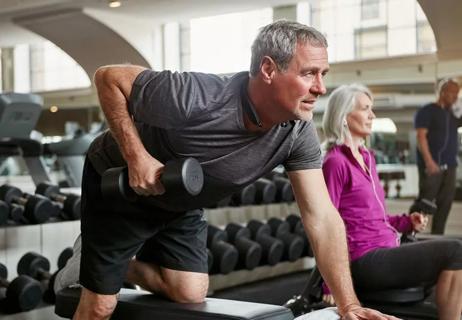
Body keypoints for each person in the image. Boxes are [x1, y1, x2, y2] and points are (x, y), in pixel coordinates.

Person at [55, 21, 397, 320]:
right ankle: (99, 266)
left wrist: (348, 304)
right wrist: (137, 157)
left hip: (180, 198)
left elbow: (322, 216)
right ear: (268, 69)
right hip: (122, 186)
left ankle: (99, 261)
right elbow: (108, 78)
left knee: (189, 291)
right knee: (100, 306)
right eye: (309, 73)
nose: (321, 87)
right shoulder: (199, 95)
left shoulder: (297, 133)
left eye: (323, 75)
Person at [285, 83, 462, 320]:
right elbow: (324, 225)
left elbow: (374, 218)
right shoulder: (335, 162)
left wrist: (407, 222)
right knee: (455, 250)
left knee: (456, 246)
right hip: (364, 259)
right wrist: (332, 286)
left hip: (387, 247)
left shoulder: (368, 158)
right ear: (344, 116)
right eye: (366, 109)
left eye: (372, 109)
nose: (372, 115)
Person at [414, 78, 461, 234]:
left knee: (445, 204)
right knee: (425, 203)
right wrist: (429, 162)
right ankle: (409, 235)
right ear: (443, 92)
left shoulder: (453, 115)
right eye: (452, 93)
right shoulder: (427, 111)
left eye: (457, 93)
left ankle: (437, 238)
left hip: (450, 167)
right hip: (432, 166)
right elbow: (421, 137)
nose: (455, 97)